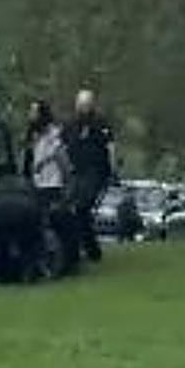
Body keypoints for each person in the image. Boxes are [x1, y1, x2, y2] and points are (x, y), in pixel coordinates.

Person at [25, 100, 78, 275]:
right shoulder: (34, 136)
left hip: (53, 186)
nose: (30, 115)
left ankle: (64, 263)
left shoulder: (53, 136)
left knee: (56, 224)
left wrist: (67, 187)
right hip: (39, 186)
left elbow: (63, 162)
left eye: (33, 111)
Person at [65, 90, 116, 262]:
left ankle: (91, 250)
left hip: (95, 171)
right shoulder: (71, 123)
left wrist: (113, 168)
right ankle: (83, 249)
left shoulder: (100, 122)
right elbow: (64, 145)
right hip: (75, 171)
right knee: (71, 209)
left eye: (86, 104)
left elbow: (110, 146)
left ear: (91, 104)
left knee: (82, 208)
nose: (82, 107)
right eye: (80, 104)